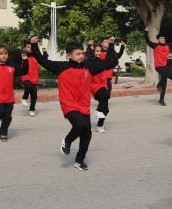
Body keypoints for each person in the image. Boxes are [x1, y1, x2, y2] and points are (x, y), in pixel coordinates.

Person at [30, 36, 119, 171]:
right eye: (78, 54)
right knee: (80, 125)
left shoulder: (89, 67)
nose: (81, 56)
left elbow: (111, 63)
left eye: (82, 53)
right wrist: (34, 44)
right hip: (69, 105)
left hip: (84, 106)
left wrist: (111, 46)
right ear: (69, 55)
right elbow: (42, 60)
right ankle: (67, 140)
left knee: (87, 135)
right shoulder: (61, 67)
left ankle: (79, 160)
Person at [145, 29, 172, 106]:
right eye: (161, 38)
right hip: (159, 66)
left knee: (164, 82)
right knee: (163, 76)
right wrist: (146, 32)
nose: (163, 39)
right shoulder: (155, 45)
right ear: (158, 40)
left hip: (166, 66)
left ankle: (161, 99)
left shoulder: (168, 46)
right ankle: (158, 85)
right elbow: (147, 41)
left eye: (163, 38)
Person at [89, 45, 112, 133]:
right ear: (93, 52)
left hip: (103, 85)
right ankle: (98, 110)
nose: (98, 52)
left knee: (106, 109)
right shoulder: (90, 62)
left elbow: (113, 58)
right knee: (106, 94)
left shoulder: (103, 62)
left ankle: (100, 125)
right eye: (96, 51)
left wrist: (112, 45)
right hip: (94, 86)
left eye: (100, 51)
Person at [18, 40, 40, 116]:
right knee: (28, 86)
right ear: (25, 48)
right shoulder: (23, 55)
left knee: (34, 95)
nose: (29, 48)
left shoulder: (36, 56)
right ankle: (24, 98)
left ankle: (32, 109)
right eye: (28, 47)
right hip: (26, 75)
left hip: (34, 77)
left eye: (31, 47)